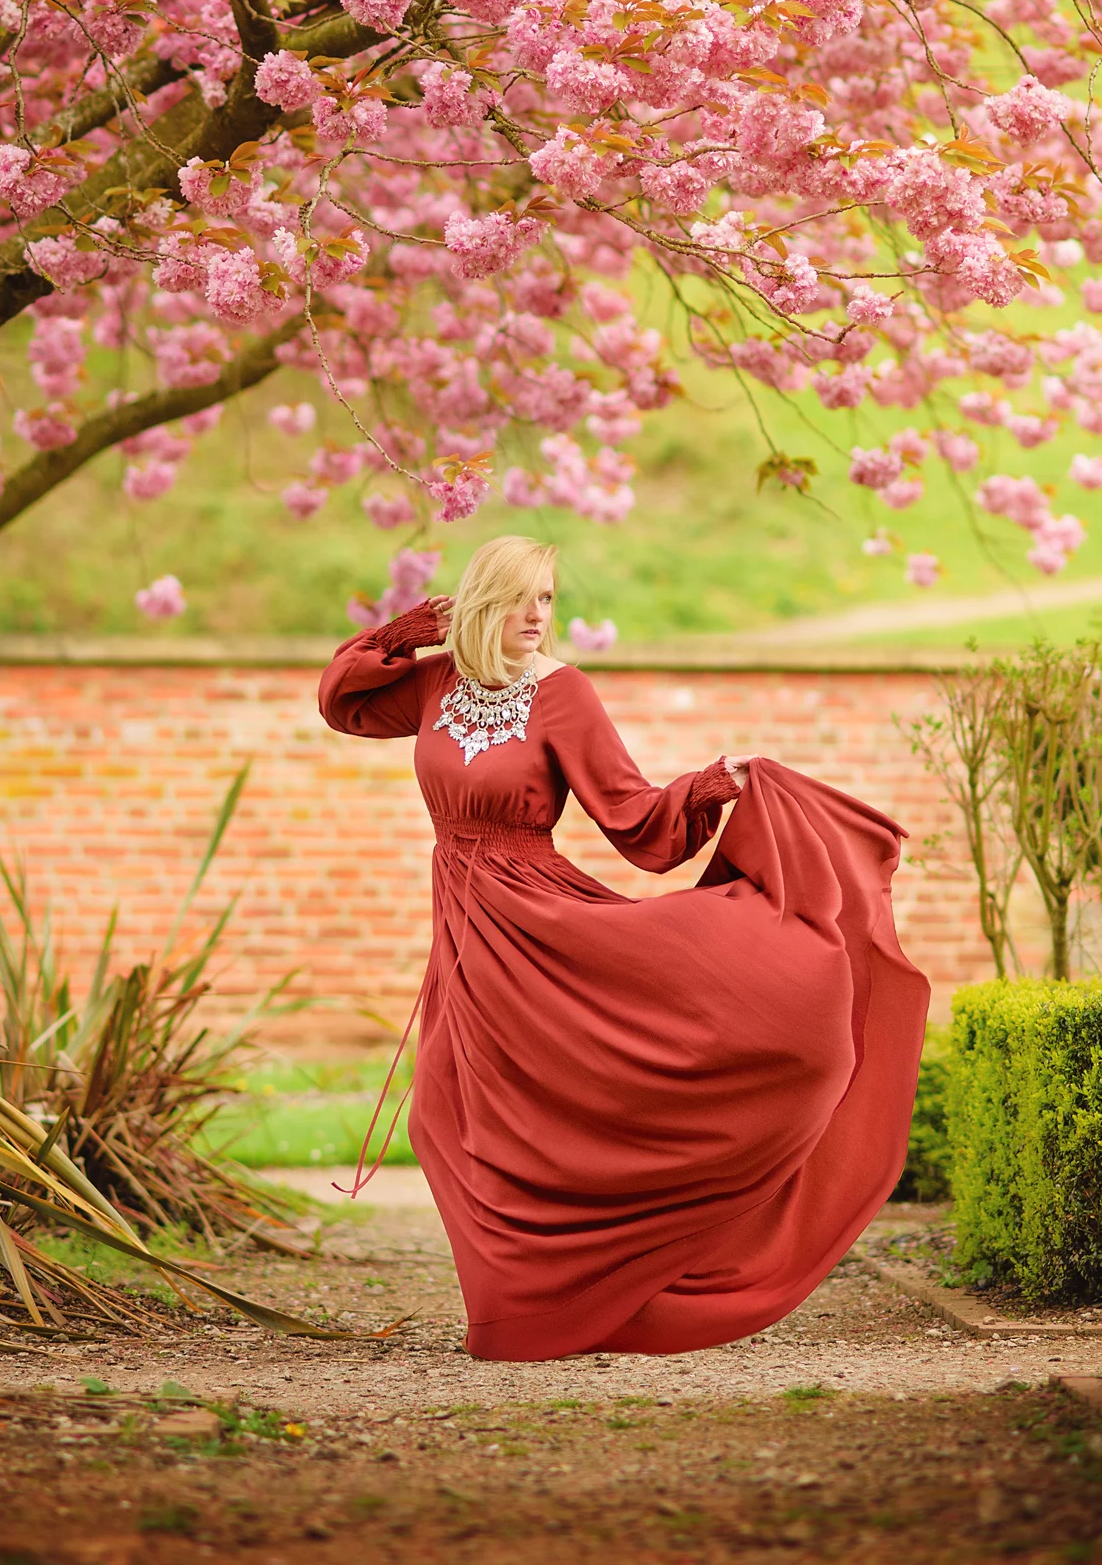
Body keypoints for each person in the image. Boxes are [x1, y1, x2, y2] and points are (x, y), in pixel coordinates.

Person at [318, 534, 929, 1362]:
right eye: (519, 599)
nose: (538, 616)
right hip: (465, 919)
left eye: (546, 599)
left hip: (541, 923)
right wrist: (415, 628)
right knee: (448, 1114)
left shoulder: (564, 694)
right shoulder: (433, 684)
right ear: (478, 604)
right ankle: (523, 1305)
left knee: (539, 1108)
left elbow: (636, 823)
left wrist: (716, 782)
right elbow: (341, 696)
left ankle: (577, 1296)